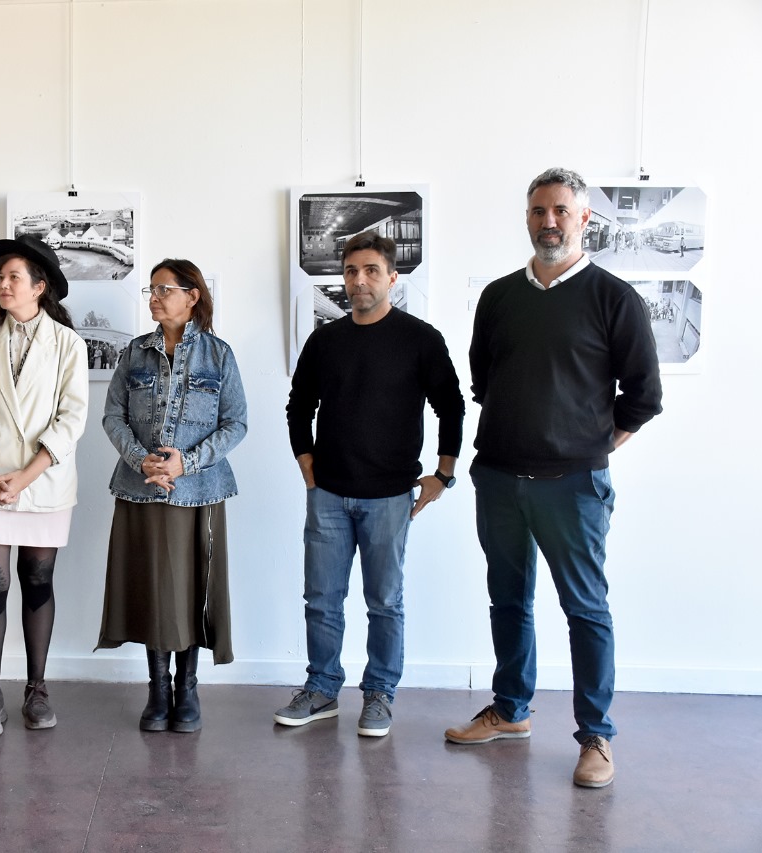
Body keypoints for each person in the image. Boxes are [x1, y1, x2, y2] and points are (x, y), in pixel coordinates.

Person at [444, 168, 663, 788]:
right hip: (501, 479)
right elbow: (483, 382)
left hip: (574, 485)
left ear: (584, 218)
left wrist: (591, 444)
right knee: (509, 602)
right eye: (539, 210)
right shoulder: (499, 297)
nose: (549, 221)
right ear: (527, 217)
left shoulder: (613, 298)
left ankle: (596, 735)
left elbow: (643, 397)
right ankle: (511, 710)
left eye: (562, 211)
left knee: (585, 609)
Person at [274, 231, 464, 736]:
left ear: (392, 277)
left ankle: (379, 693)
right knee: (321, 598)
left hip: (390, 497)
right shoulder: (325, 340)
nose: (360, 281)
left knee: (385, 602)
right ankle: (321, 688)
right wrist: (306, 462)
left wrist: (443, 474)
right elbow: (298, 406)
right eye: (352, 271)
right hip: (329, 495)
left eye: (371, 271)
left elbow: (452, 405)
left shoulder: (420, 339)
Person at [96, 259, 248, 733]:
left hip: (199, 492)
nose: (155, 297)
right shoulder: (134, 354)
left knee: (192, 591)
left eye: (165, 289)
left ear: (192, 296)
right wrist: (142, 459)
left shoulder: (219, 356)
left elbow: (236, 423)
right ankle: (157, 689)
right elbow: (113, 417)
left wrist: (186, 462)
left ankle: (188, 688)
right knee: (150, 589)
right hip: (140, 491)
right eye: (152, 289)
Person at [0, 235, 89, 736]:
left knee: (37, 581)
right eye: (0, 277)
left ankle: (36, 687)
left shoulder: (68, 343)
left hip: (45, 481)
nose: (3, 285)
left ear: (39, 286)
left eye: (13, 277)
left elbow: (72, 419)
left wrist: (26, 476)